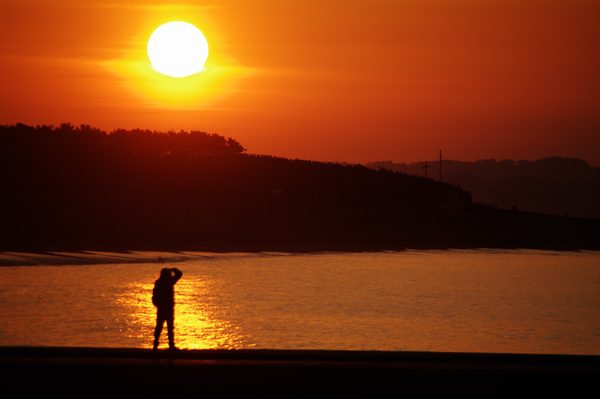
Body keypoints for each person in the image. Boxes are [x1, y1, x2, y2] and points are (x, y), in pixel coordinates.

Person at [152, 267, 183, 350]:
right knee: (168, 327)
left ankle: (156, 344)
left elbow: (154, 296)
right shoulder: (169, 282)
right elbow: (179, 274)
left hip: (162, 308)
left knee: (160, 326)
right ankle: (170, 345)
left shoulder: (159, 282)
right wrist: (173, 269)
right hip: (167, 308)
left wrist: (157, 304)